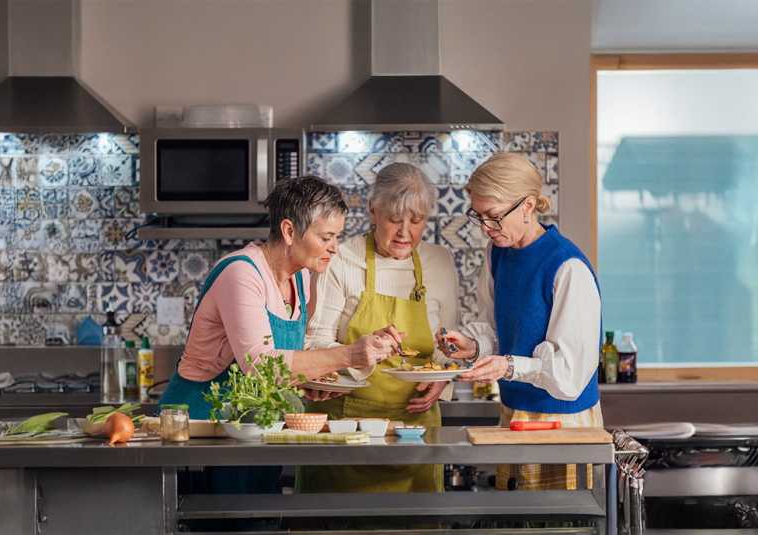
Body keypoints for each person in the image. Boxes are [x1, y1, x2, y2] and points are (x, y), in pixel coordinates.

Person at [159, 175, 399, 494]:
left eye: (337, 237)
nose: (335, 249)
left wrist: (308, 382)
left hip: (254, 432)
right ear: (289, 231)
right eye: (327, 237)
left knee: (256, 523)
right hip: (201, 436)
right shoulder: (241, 273)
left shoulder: (299, 279)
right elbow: (260, 364)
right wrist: (350, 354)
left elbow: (283, 367)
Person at [438, 153, 603, 491]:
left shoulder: (568, 267)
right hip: (514, 414)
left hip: (562, 422)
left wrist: (509, 367)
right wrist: (475, 345)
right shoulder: (498, 253)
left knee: (561, 524)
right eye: (479, 216)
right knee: (518, 519)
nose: (486, 227)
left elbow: (569, 375)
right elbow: (500, 330)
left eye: (494, 216)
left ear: (528, 205)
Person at [301, 162, 460, 492]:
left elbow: (449, 344)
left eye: (416, 221)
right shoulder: (342, 258)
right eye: (394, 219)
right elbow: (314, 343)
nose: (405, 232)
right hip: (346, 427)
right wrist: (356, 357)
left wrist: (443, 381)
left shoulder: (440, 262)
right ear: (374, 211)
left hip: (415, 430)